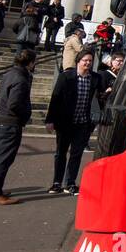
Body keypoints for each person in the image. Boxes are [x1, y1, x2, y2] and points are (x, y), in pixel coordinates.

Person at [0, 48, 35, 205]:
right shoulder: (21, 79)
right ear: (30, 63)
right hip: (10, 122)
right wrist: (24, 115)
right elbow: (14, 103)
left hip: (1, 119)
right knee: (4, 158)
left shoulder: (9, 74)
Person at [45, 48, 101, 195]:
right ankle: (56, 182)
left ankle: (70, 183)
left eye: (90, 61)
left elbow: (101, 95)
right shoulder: (66, 77)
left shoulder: (95, 78)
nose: (87, 63)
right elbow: (55, 98)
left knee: (76, 154)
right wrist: (50, 119)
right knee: (61, 153)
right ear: (78, 61)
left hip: (82, 123)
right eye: (85, 60)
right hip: (65, 122)